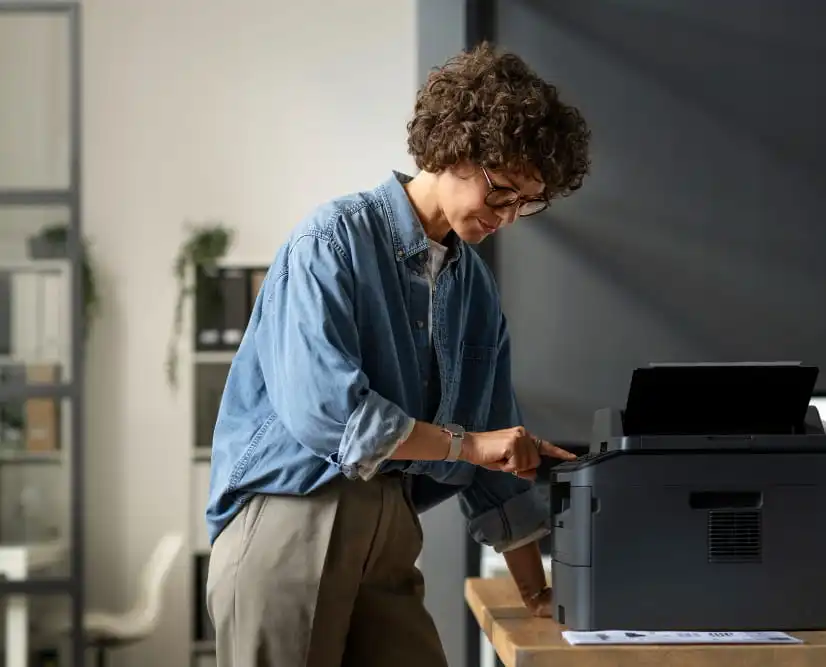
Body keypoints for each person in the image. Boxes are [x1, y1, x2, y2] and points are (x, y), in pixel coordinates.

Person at [204, 42, 591, 667]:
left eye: (526, 203)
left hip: (391, 526)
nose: (509, 216)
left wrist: (536, 590)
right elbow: (330, 414)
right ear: (457, 148)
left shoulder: (474, 287)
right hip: (294, 515)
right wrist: (467, 445)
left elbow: (497, 448)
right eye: (501, 193)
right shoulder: (333, 241)